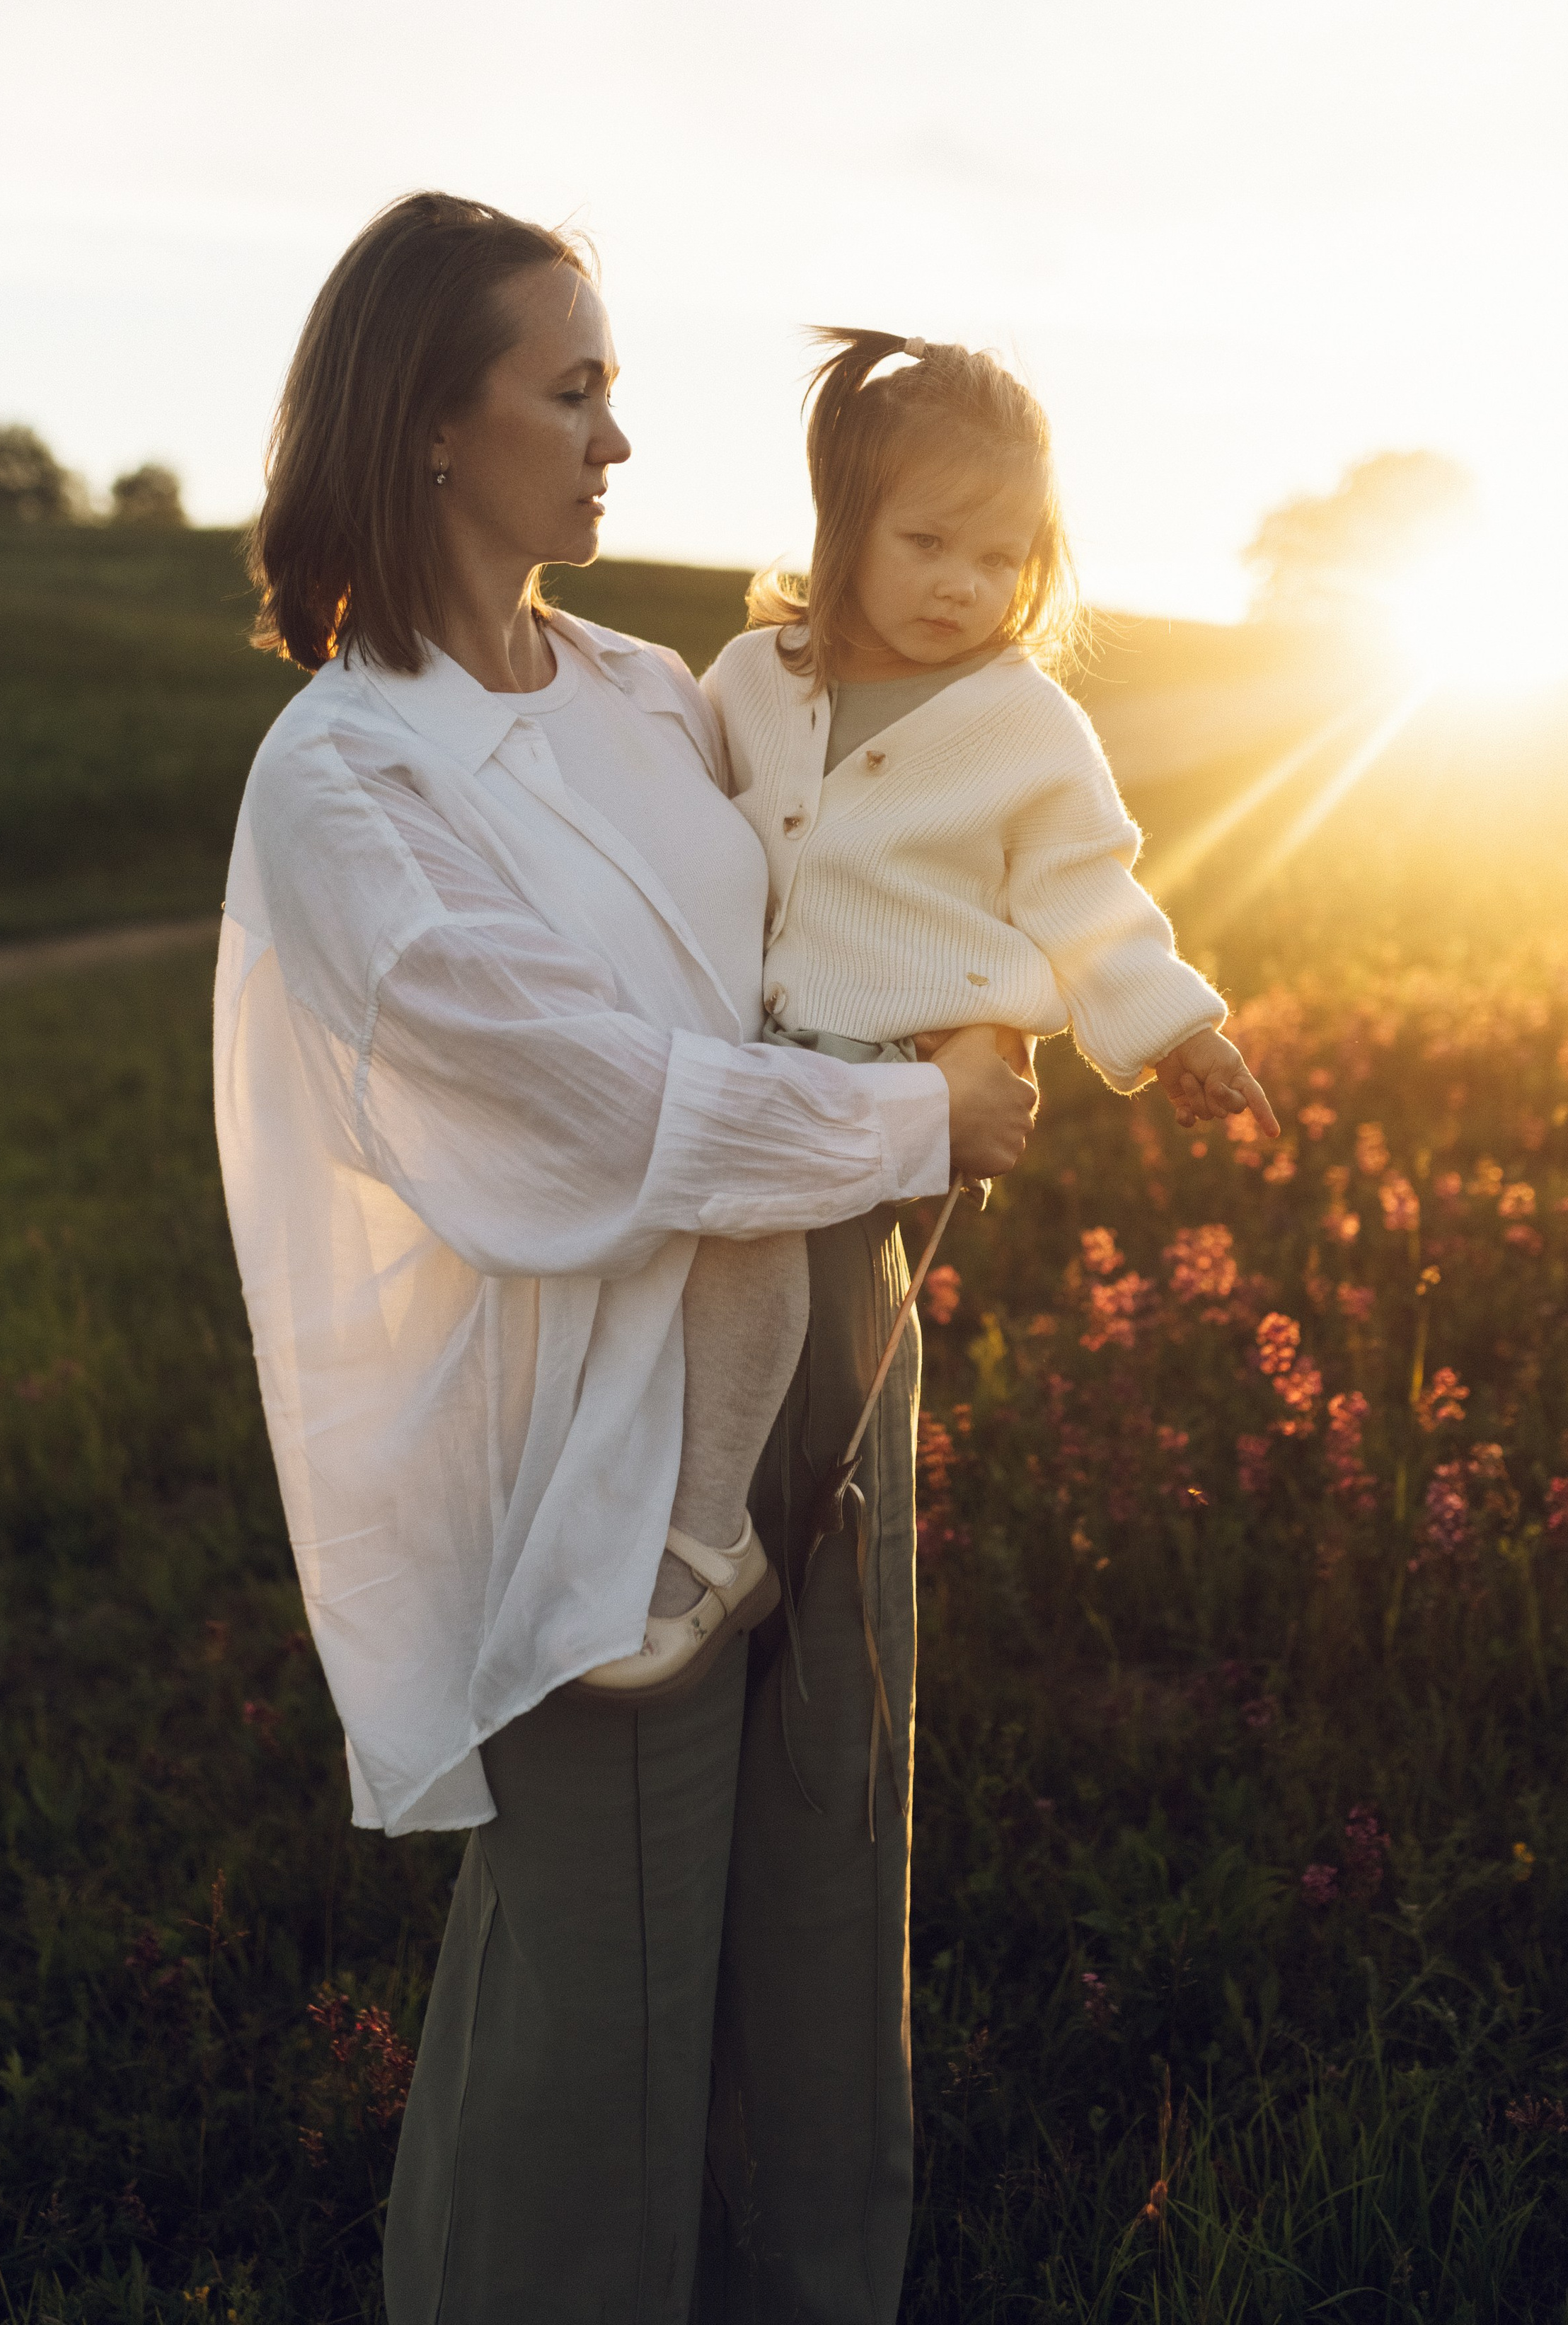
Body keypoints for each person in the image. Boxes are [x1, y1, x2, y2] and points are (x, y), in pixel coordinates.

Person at [212, 194, 1039, 2322]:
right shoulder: (346, 779)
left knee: (826, 1890)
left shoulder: (646, 688)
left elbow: (840, 902)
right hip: (602, 1425)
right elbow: (592, 1113)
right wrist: (918, 1117)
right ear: (423, 424)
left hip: (826, 1351)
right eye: (570, 391)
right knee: (606, 1968)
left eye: (614, 391)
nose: (616, 442)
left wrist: (1006, 995)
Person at [628, 329, 1279, 1638]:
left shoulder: (1024, 722)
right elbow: (679, 827)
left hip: (897, 1083)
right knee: (700, 1298)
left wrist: (1175, 1030)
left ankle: (734, 1561)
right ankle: (700, 1529)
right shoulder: (757, 676)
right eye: (928, 543)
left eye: (1000, 558)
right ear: (846, 523)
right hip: (752, 1070)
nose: (962, 586)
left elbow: (1087, 892)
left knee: (816, 1366)